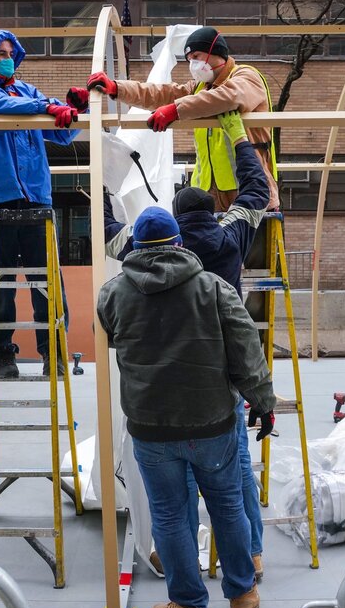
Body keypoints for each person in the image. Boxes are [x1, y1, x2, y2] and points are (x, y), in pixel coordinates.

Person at [103, 110, 268, 580]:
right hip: (218, 393)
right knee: (234, 486)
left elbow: (113, 237)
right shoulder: (229, 240)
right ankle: (248, 567)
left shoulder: (128, 270)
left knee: (173, 509)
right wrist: (238, 138)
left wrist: (102, 178)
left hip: (156, 410)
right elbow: (255, 192)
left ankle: (187, 597)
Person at [97, 206, 276, 608]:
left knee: (171, 517)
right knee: (228, 504)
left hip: (151, 429)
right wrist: (263, 403)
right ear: (179, 243)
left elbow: (113, 335)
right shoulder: (213, 289)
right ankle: (241, 595)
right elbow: (246, 350)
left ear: (136, 249)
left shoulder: (113, 293)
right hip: (212, 423)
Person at [0, 29, 90, 378]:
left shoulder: (25, 91)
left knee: (48, 284)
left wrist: (74, 108)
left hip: (34, 200)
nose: (5, 58)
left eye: (10, 52)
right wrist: (45, 106)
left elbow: (62, 132)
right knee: (0, 285)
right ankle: (2, 356)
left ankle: (54, 355)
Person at [87, 26, 279, 212]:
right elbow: (160, 93)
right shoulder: (200, 88)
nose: (192, 65)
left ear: (215, 52)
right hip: (210, 194)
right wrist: (116, 88)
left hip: (248, 189)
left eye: (196, 57)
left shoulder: (246, 77)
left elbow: (229, 97)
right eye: (189, 59)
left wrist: (176, 110)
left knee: (252, 245)